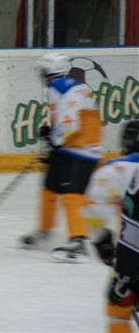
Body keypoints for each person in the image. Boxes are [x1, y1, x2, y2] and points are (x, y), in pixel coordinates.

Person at [20, 52, 102, 262]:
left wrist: (54, 138)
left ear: (50, 70)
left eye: (43, 70)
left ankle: (78, 243)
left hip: (83, 151)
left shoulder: (58, 88)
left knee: (72, 196)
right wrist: (54, 136)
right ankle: (44, 231)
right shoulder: (72, 85)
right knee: (49, 187)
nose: (41, 74)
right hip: (70, 147)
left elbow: (70, 123)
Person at [82, 120, 139, 333]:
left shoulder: (114, 169)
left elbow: (94, 209)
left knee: (117, 308)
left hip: (132, 253)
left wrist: (101, 240)